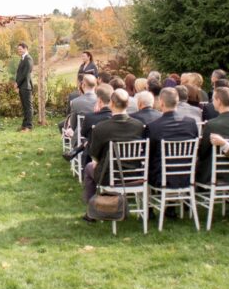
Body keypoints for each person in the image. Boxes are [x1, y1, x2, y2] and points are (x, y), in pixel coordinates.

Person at [82, 89, 144, 222]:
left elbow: (94, 155)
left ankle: (91, 212)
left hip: (109, 176)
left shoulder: (100, 127)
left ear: (111, 104)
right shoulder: (139, 126)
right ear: (128, 104)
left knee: (88, 168)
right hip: (136, 174)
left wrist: (96, 161)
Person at [145, 87, 198, 187]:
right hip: (187, 176)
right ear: (177, 102)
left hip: (161, 178)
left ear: (161, 102)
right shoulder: (191, 123)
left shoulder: (154, 126)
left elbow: (148, 153)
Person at [196, 87, 229, 184]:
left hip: (213, 173)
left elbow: (203, 151)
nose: (212, 102)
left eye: (213, 99)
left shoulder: (212, 124)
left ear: (218, 101)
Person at [15, 42, 34, 130]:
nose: (19, 51)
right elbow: (19, 73)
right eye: (18, 49)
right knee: (25, 107)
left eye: (20, 49)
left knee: (28, 107)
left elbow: (25, 74)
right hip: (22, 86)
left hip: (26, 86)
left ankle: (29, 126)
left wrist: (17, 83)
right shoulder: (22, 58)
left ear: (25, 48)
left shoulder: (28, 58)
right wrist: (18, 85)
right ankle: (24, 125)